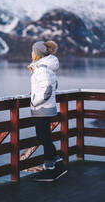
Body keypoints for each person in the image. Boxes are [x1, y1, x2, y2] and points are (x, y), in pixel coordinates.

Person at [28, 40, 67, 181]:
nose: (31, 53)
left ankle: (51, 170)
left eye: (33, 51)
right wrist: (34, 93)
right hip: (47, 107)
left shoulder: (41, 69)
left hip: (42, 108)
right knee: (45, 138)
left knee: (43, 138)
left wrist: (34, 100)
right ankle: (56, 165)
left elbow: (47, 90)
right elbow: (54, 85)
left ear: (37, 53)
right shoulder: (46, 68)